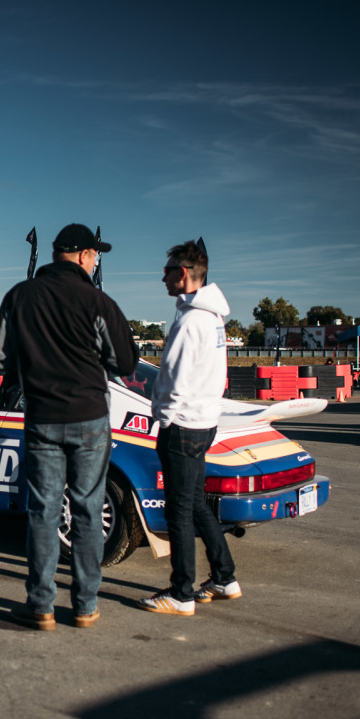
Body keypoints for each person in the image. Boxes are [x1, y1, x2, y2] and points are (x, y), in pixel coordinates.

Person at [0, 223, 137, 631]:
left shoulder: (20, 296)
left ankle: (41, 605)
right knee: (87, 510)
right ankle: (86, 606)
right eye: (96, 254)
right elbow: (125, 364)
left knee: (44, 510)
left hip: (42, 418)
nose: (97, 260)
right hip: (89, 417)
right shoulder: (99, 301)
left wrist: (29, 365)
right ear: (84, 256)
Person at [137, 239, 237, 616]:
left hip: (182, 425)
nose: (162, 277)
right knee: (195, 504)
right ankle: (225, 576)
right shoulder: (213, 319)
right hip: (205, 421)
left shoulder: (191, 320)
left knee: (177, 511)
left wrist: (163, 418)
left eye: (167, 271)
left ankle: (181, 594)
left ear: (182, 274)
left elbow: (175, 378)